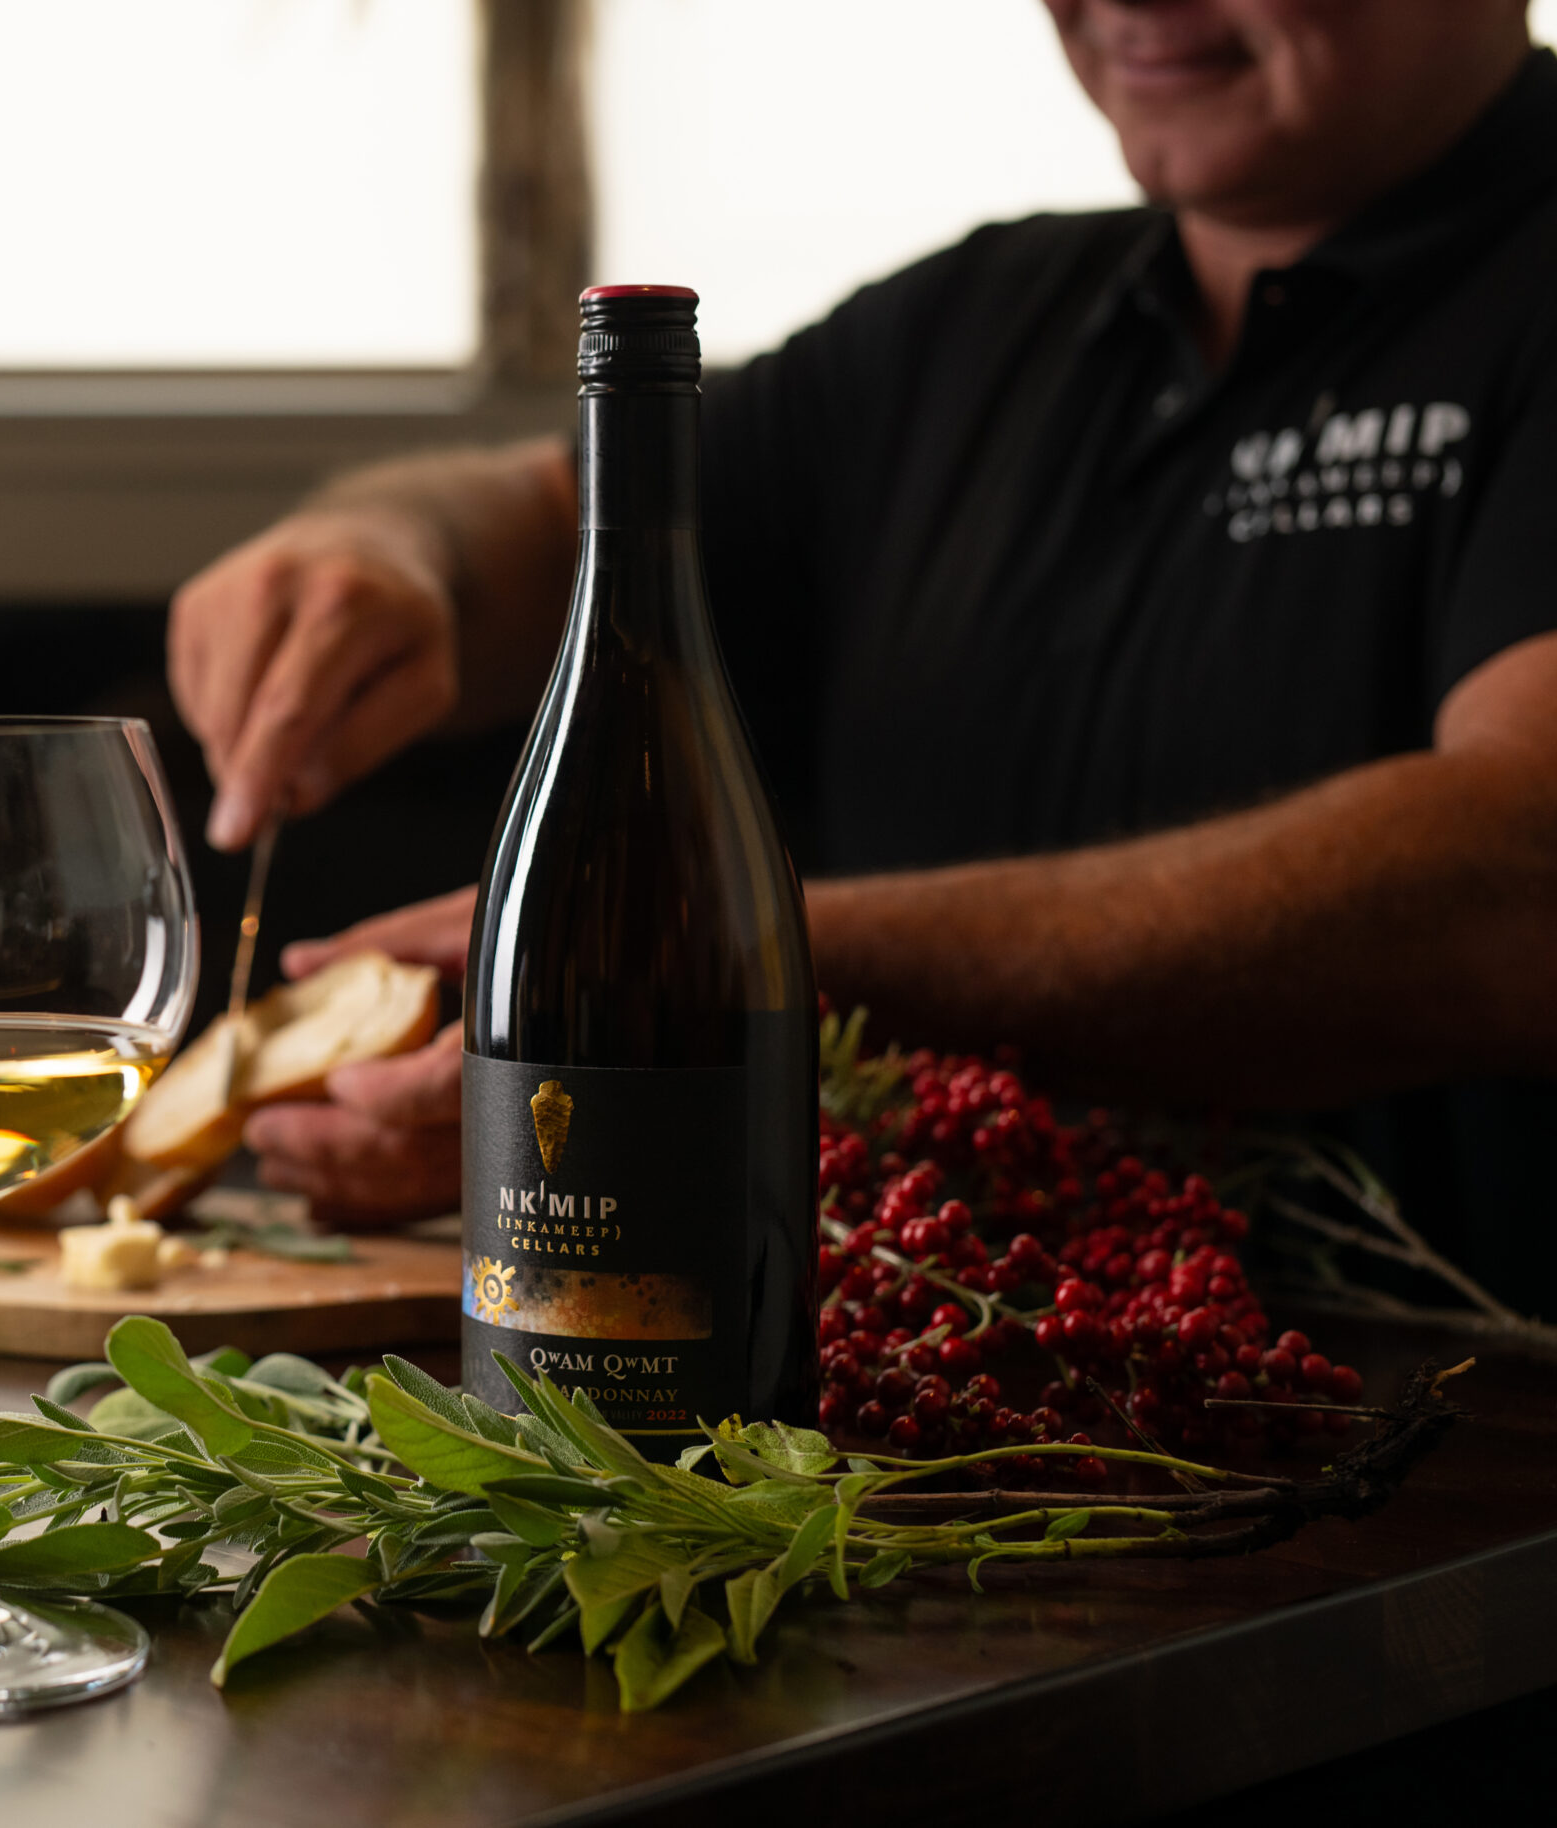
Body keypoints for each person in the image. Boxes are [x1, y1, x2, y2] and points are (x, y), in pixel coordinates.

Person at [167, 0, 1557, 1299]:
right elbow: (549, 522)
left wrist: (718, 992)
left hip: (1462, 1419)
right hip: (926, 1408)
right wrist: (390, 548)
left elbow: (1518, 880)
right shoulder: (973, 326)